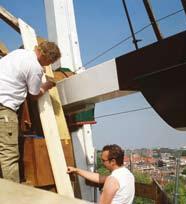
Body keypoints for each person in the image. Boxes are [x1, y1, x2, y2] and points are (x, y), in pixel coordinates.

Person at [0, 41, 61, 183]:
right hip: (4, 109)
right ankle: (12, 197)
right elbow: (34, 95)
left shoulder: (18, 53)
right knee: (8, 155)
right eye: (49, 62)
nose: (47, 65)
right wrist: (46, 85)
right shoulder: (35, 67)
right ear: (47, 57)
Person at [67, 144, 135, 204]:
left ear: (113, 161)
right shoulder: (128, 175)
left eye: (104, 160)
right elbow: (99, 178)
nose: (102, 163)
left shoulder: (112, 180)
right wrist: (76, 170)